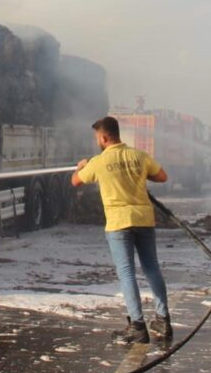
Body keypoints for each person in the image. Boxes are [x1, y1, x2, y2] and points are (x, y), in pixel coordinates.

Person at [72, 116, 172, 345]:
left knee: (127, 273)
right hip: (144, 219)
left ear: (103, 137)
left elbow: (75, 181)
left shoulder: (98, 162)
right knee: (152, 268)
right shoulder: (139, 156)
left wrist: (80, 167)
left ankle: (137, 326)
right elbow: (162, 176)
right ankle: (163, 319)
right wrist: (140, 175)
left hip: (119, 223)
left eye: (97, 137)